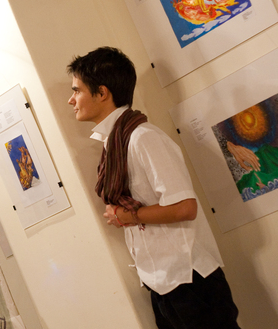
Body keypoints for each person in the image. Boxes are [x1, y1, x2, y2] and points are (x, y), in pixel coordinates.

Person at [67, 47, 239, 329]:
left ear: (102, 93)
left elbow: (184, 208)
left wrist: (126, 216)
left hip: (189, 279)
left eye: (77, 90)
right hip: (161, 282)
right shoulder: (116, 142)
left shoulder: (142, 138)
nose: (71, 100)